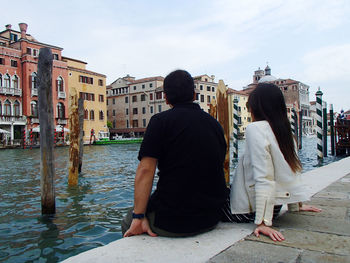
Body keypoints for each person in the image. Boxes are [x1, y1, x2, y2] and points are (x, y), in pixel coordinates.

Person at [122, 69, 228, 237]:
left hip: (173, 221)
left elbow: (145, 171)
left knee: (129, 219)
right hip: (212, 217)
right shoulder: (215, 125)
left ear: (166, 97)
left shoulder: (159, 122)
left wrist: (138, 216)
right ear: (194, 95)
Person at [226, 83, 321, 241]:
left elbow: (264, 177)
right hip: (275, 207)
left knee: (206, 198)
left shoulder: (256, 129)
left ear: (258, 107)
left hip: (248, 211)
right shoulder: (286, 132)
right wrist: (297, 205)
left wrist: (263, 223)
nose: (249, 110)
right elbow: (291, 172)